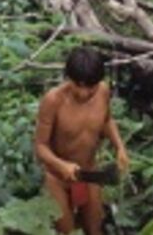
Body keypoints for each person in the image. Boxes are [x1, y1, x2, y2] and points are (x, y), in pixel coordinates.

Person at [34, 47, 130, 234]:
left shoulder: (103, 92)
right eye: (78, 85)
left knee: (95, 228)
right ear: (68, 78)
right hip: (58, 178)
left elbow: (107, 120)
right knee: (67, 231)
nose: (83, 93)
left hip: (88, 173)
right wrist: (61, 165)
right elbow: (40, 146)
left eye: (90, 87)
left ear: (99, 82)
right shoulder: (53, 100)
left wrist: (119, 147)